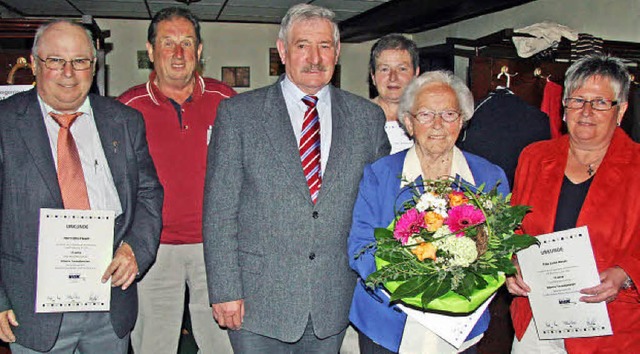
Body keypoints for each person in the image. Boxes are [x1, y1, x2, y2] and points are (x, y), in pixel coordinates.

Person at [202, 3, 389, 353]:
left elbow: (378, 207)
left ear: (337, 52)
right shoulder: (239, 115)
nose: (315, 58)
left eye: (325, 46)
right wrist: (225, 290)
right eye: (303, 45)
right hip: (257, 303)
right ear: (282, 51)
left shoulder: (367, 118)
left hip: (332, 300)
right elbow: (219, 211)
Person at [0, 20, 163, 353]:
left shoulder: (124, 121)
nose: (68, 72)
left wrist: (134, 249)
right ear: (34, 64)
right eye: (55, 61)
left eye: (80, 61)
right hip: (29, 309)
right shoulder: (5, 123)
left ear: (94, 65)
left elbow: (148, 195)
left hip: (109, 304)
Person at [348, 70, 509, 354]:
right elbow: (360, 248)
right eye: (425, 115)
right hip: (387, 322)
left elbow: (502, 249)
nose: (437, 125)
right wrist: (414, 283)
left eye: (448, 114)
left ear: (461, 121)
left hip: (460, 326)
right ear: (409, 123)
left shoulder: (488, 176)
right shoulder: (380, 174)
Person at [118, 7, 235, 354]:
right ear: (151, 51)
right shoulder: (127, 107)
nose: (178, 53)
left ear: (199, 51)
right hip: (153, 250)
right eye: (168, 43)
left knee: (223, 345)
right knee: (154, 345)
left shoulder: (227, 101)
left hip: (216, 249)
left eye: (187, 43)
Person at [507, 55, 640, 353]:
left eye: (601, 102)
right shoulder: (534, 157)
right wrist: (512, 265)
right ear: (564, 106)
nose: (587, 111)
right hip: (536, 320)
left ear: (621, 111)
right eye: (577, 100)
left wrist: (626, 273)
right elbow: (514, 230)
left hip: (612, 329)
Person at [370, 34, 420, 154]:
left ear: (416, 73)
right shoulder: (355, 119)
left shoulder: (429, 118)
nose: (393, 77)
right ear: (373, 76)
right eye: (385, 69)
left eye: (402, 69)